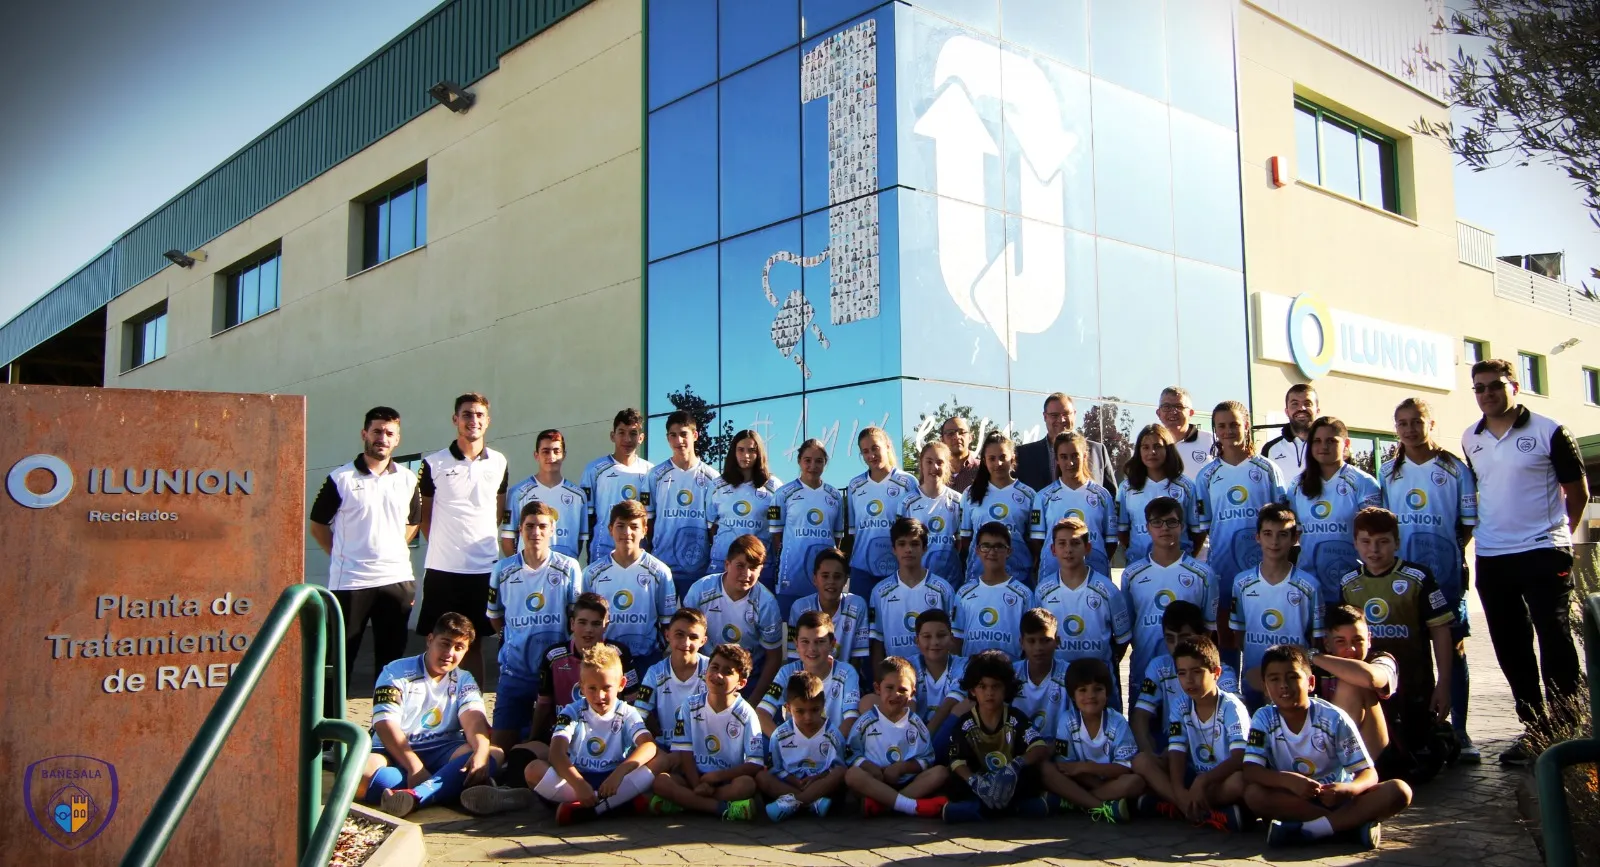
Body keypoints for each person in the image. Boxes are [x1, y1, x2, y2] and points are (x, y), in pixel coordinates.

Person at [1461, 358, 1588, 764]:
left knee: (1554, 638)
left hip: (1543, 551)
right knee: (1510, 646)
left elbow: (1577, 492)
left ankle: (1566, 729)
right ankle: (1535, 729)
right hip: (1493, 555)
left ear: (1514, 387)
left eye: (1495, 385)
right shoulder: (1470, 438)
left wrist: (1559, 535)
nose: (1487, 393)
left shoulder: (1550, 430)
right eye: (1479, 387)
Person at [1383, 396, 1479, 761]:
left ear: (1431, 424)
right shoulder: (1388, 472)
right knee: (1411, 652)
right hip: (1403, 581)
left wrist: (1444, 556)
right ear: (1396, 428)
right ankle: (1417, 731)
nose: (1410, 429)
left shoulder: (1455, 468)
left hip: (1445, 578)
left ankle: (1461, 731)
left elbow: (1466, 526)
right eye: (1403, 423)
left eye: (1417, 421)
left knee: (1452, 650)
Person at [1243, 645, 1412, 849]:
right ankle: (1349, 826)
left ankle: (1311, 830)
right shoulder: (1263, 718)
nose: (1284, 686)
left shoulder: (1334, 718)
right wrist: (1287, 781)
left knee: (1399, 790)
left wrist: (1348, 789)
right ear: (1265, 686)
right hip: (1296, 799)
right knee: (1253, 794)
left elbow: (1368, 773)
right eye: (1274, 679)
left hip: (1337, 799)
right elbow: (1251, 770)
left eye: (1292, 677)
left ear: (1311, 683)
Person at [1340, 507, 1455, 781]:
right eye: (1366, 542)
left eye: (1383, 541)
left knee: (1421, 766)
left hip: (1414, 682)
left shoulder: (1418, 578)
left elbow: (1440, 631)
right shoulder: (1349, 583)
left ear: (1397, 542)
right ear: (1355, 543)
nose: (1374, 549)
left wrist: (1444, 684)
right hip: (1373, 686)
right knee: (1384, 761)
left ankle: (1443, 738)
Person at [310, 405, 420, 679]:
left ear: (397, 439)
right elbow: (318, 526)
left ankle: (386, 708)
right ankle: (335, 710)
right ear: (364, 434)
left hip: (396, 581)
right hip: (350, 583)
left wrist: (390, 549)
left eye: (389, 433)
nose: (382, 438)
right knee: (338, 662)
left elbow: (413, 523)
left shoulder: (408, 479)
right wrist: (341, 554)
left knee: (392, 664)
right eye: (377, 431)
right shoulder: (340, 479)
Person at [363, 613, 501, 818]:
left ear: (466, 651)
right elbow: (385, 725)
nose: (450, 653)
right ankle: (452, 787)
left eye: (459, 647)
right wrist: (415, 767)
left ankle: (416, 795)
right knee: (362, 777)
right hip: (392, 751)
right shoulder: (395, 671)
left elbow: (474, 721)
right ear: (430, 640)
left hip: (442, 749)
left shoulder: (464, 678)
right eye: (445, 644)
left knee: (492, 753)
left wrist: (481, 753)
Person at [417, 393, 510, 684]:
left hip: (482, 570)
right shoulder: (433, 463)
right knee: (438, 644)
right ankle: (431, 705)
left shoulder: (499, 462)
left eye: (479, 415)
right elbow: (425, 517)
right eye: (467, 414)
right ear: (455, 419)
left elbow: (497, 512)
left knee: (473, 644)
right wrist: (448, 546)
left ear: (488, 421)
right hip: (443, 570)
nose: (474, 420)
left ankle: (473, 706)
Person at [1193, 400, 1286, 669]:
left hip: (1264, 566)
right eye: (1221, 426)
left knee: (1263, 631)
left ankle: (1263, 687)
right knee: (1227, 637)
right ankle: (1230, 686)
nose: (1228, 430)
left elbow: (1284, 520)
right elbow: (1203, 527)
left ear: (1246, 425)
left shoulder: (1267, 469)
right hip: (1223, 567)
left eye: (1234, 424)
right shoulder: (1207, 474)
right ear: (1215, 430)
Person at [522, 644, 659, 826]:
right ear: (581, 686)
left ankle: (589, 809)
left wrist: (619, 772)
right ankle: (616, 805)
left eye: (606, 687)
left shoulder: (627, 712)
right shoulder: (571, 711)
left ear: (621, 684)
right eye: (592, 688)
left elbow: (648, 745)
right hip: (578, 777)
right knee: (532, 770)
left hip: (613, 780)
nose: (599, 696)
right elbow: (556, 753)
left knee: (661, 759)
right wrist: (578, 783)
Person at [486, 502, 585, 753]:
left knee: (555, 746)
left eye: (542, 526)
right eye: (529, 526)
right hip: (515, 671)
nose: (536, 532)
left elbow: (575, 618)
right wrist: (510, 640)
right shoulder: (502, 569)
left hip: (557, 672)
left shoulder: (569, 567)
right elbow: (495, 616)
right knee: (500, 748)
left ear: (552, 529)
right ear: (520, 529)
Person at [1134, 635, 1249, 831]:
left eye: (1197, 672)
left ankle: (1175, 807)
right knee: (1141, 761)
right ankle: (1195, 809)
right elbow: (1176, 752)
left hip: (1220, 779)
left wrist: (1203, 780)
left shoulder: (1232, 707)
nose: (1189, 680)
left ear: (1216, 673)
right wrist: (1179, 789)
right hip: (1193, 776)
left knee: (1240, 782)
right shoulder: (1180, 705)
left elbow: (1240, 758)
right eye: (1182, 673)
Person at [642, 643, 765, 819]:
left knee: (746, 785)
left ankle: (686, 803)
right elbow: (684, 752)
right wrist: (697, 785)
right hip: (693, 776)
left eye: (728, 672)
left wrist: (717, 776)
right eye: (714, 667)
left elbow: (755, 764)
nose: (718, 675)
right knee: (661, 782)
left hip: (725, 779)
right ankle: (721, 808)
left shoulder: (746, 713)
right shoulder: (690, 705)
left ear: (741, 683)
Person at [1123, 497, 1219, 702]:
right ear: (1147, 527)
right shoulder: (1131, 575)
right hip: (1143, 667)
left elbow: (1208, 630)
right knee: (1142, 718)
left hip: (1188, 676)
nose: (1164, 528)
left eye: (1171, 522)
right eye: (1157, 522)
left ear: (1182, 526)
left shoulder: (1203, 574)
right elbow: (1128, 627)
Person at [940, 649, 1054, 823]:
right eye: (982, 686)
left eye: (996, 686)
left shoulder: (1016, 717)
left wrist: (1014, 767)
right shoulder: (964, 723)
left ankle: (977, 810)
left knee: (1031, 774)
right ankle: (1016, 808)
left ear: (1006, 688)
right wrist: (974, 781)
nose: (989, 693)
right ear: (972, 690)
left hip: (1010, 782)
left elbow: (1039, 747)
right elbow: (956, 761)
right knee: (955, 782)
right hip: (979, 781)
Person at [1031, 517, 1130, 708]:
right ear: (1053, 549)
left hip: (1097, 681)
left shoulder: (1108, 590)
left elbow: (1122, 640)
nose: (1068, 549)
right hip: (1058, 683)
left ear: (1087, 548)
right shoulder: (1043, 591)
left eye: (1075, 543)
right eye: (1062, 543)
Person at [1229, 504, 1322, 707]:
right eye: (1268, 534)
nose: (1274, 541)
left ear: (1295, 538)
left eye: (1282, 534)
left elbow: (1316, 640)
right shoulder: (1241, 583)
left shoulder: (1310, 586)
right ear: (1258, 537)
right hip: (1254, 680)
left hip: (1294, 684)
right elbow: (1239, 634)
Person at [1286, 416, 1381, 603]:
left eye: (1331, 441)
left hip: (1355, 582)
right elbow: (1292, 534)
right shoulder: (1297, 485)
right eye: (1317, 441)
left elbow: (1376, 535)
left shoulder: (1364, 482)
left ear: (1346, 444)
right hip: (1310, 583)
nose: (1324, 446)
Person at [845, 656, 951, 817]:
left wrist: (903, 768)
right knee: (852, 775)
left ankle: (884, 805)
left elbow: (927, 758)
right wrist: (869, 767)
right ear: (877, 688)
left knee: (940, 772)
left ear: (912, 693)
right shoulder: (865, 722)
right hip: (875, 782)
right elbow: (851, 753)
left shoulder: (916, 724)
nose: (896, 694)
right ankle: (909, 805)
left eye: (902, 690)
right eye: (889, 688)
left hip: (907, 783)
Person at [1040, 657, 1143, 823]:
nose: (1090, 696)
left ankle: (1076, 802)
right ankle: (1103, 805)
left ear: (1107, 693)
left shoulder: (1118, 722)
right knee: (1047, 770)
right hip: (1081, 780)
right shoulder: (1067, 720)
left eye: (1098, 689)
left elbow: (1124, 768)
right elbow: (1066, 767)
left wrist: (1086, 767)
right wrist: (1081, 772)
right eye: (1083, 690)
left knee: (1136, 782)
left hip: (1110, 780)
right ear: (1072, 695)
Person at [682, 535, 783, 701]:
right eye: (740, 566)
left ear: (761, 570)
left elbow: (774, 657)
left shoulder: (767, 604)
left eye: (753, 568)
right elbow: (686, 640)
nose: (746, 574)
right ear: (727, 564)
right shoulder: (700, 590)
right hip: (707, 673)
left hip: (748, 678)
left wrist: (754, 701)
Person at [529, 592, 639, 745]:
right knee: (521, 754)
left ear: (606, 626)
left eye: (596, 624)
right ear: (572, 624)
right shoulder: (553, 656)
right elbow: (543, 703)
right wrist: (533, 738)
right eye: (582, 622)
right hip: (564, 734)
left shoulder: (619, 654)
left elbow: (633, 700)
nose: (589, 629)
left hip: (609, 738)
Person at [582, 500, 677, 672]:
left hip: (646, 659)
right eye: (621, 526)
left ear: (645, 530)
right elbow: (585, 620)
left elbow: (667, 623)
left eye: (634, 526)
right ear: (610, 529)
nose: (627, 532)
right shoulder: (591, 573)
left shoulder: (660, 572)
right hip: (605, 661)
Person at [643, 411, 720, 599]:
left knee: (693, 617)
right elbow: (647, 521)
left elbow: (714, 527)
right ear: (667, 438)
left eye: (684, 434)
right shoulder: (654, 475)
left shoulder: (713, 478)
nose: (679, 440)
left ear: (695, 435)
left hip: (697, 568)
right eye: (673, 435)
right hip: (662, 565)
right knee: (663, 617)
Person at [1312, 605, 1398, 766]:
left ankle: (1338, 769)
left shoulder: (1381, 659)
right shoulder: (1318, 668)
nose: (1351, 649)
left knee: (1352, 681)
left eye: (1358, 640)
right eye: (1340, 641)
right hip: (1324, 748)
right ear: (1327, 644)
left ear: (1369, 639)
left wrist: (1313, 657)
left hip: (1378, 755)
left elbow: (1369, 677)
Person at [757, 671, 849, 819]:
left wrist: (817, 778)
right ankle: (812, 802)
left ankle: (795, 802)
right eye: (800, 711)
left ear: (823, 705)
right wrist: (794, 780)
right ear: (788, 708)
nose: (808, 717)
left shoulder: (833, 735)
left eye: (814, 710)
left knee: (841, 772)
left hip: (821, 785)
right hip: (791, 784)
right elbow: (776, 768)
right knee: (761, 777)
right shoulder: (779, 735)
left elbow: (836, 767)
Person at [868, 517, 956, 668]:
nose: (908, 549)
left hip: (934, 673)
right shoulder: (880, 592)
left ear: (924, 548)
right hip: (897, 676)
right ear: (894, 549)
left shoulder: (943, 589)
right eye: (902, 544)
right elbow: (877, 642)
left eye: (914, 544)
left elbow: (953, 639)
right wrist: (879, 678)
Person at [771, 439, 846, 617]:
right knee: (790, 627)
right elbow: (775, 535)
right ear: (799, 461)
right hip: (792, 576)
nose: (813, 466)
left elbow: (837, 537)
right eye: (807, 460)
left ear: (825, 463)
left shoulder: (835, 496)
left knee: (822, 626)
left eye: (819, 461)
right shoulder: (781, 494)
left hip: (824, 579)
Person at [844, 426, 920, 597]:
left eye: (875, 448)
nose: (871, 455)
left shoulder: (908, 482)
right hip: (862, 569)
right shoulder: (855, 485)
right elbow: (855, 533)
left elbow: (915, 531)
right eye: (865, 451)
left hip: (897, 569)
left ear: (887, 446)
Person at [1031, 431, 1117, 582]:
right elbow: (1038, 541)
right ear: (1057, 459)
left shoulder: (1103, 496)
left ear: (1084, 456)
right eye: (1064, 457)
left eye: (1075, 456)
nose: (1070, 463)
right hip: (1053, 575)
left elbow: (1111, 542)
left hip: (1095, 575)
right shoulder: (1043, 497)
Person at [759, 610, 862, 736]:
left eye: (820, 641)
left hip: (834, 745)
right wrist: (782, 741)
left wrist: (830, 744)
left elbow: (851, 719)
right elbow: (762, 713)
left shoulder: (846, 672)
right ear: (796, 644)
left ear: (832, 644)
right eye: (805, 641)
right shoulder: (786, 673)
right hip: (796, 746)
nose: (812, 649)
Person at [1117, 425, 1207, 564]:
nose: (1152, 452)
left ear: (1168, 449)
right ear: (1139, 451)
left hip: (1179, 564)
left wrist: (1184, 559)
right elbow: (1122, 531)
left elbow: (1198, 532)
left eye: (1157, 446)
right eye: (1145, 447)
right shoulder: (1126, 488)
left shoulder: (1187, 486)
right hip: (1140, 564)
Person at [958, 432, 1039, 586]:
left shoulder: (1029, 495)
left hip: (1019, 577)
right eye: (992, 458)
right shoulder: (970, 494)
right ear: (984, 461)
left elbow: (1034, 540)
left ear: (1012, 458)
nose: (998, 463)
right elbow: (966, 539)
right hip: (979, 576)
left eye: (1003, 457)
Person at [707, 429, 783, 591]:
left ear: (759, 453)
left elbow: (776, 530)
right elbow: (712, 528)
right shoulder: (717, 485)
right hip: (722, 564)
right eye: (740, 450)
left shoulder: (773, 487)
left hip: (759, 567)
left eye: (751, 450)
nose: (746, 455)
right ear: (733, 452)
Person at [501, 429, 587, 561]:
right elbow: (508, 539)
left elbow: (579, 541)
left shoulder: (578, 495)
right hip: (529, 570)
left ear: (564, 455)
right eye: (545, 451)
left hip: (564, 570)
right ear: (536, 455)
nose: (551, 456)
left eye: (556, 451)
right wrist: (521, 567)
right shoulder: (518, 493)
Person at [581, 408, 653, 565]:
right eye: (621, 432)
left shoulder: (650, 472)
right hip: (602, 552)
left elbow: (651, 518)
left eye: (633, 433)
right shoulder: (594, 470)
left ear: (641, 438)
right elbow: (587, 517)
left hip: (637, 553)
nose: (627, 439)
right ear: (612, 436)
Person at [952, 522, 1034, 657]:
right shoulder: (963, 593)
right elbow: (956, 639)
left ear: (1009, 551)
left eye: (999, 546)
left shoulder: (1024, 595)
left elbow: (1031, 641)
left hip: (1011, 669)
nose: (992, 552)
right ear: (977, 550)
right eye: (986, 546)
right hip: (973, 668)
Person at [633, 608, 710, 744]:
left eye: (693, 637)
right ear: (667, 635)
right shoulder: (655, 672)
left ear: (703, 641)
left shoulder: (712, 669)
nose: (686, 643)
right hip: (667, 747)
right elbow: (638, 716)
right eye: (679, 634)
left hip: (704, 748)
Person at [1016, 393, 1116, 493]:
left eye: (1066, 414)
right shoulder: (1024, 455)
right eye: (1054, 415)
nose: (1061, 420)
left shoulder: (1097, 451)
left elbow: (1112, 495)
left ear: (1074, 414)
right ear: (1045, 417)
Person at [786, 548, 869, 669]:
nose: (831, 581)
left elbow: (858, 658)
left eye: (837, 576)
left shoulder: (857, 605)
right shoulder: (799, 608)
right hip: (808, 677)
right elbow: (794, 656)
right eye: (825, 576)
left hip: (845, 677)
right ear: (815, 579)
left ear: (845, 580)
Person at [899, 440, 965, 582]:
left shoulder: (958, 501)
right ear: (921, 464)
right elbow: (901, 543)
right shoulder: (906, 502)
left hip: (951, 580)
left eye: (940, 462)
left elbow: (962, 543)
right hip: (917, 580)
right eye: (929, 462)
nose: (934, 467)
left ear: (947, 465)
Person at [910, 609, 969, 756]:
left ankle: (934, 757)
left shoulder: (964, 664)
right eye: (927, 636)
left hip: (946, 735)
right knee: (870, 700)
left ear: (951, 638)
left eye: (941, 635)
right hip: (913, 737)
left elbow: (948, 707)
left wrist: (926, 742)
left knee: (967, 704)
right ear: (917, 641)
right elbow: (907, 709)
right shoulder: (907, 666)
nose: (935, 642)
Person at [1011, 609, 1071, 739]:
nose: (1038, 648)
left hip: (1058, 748)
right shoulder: (1011, 674)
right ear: (1021, 643)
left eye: (1045, 640)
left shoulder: (1070, 675)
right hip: (1020, 748)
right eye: (1031, 641)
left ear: (1057, 641)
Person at [1261, 383, 1320, 482]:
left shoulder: (1329, 445)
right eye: (1295, 404)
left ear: (1317, 410)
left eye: (1307, 403)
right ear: (1287, 411)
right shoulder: (1270, 449)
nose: (1301, 408)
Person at [1156, 386, 1216, 482]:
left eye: (1179, 407)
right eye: (1166, 407)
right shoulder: (1151, 446)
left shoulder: (1211, 440)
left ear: (1191, 413)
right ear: (1158, 413)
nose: (1173, 411)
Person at [940, 415, 981, 493]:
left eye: (962, 432)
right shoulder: (936, 472)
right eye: (950, 433)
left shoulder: (983, 469)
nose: (956, 437)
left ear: (970, 437)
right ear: (942, 440)